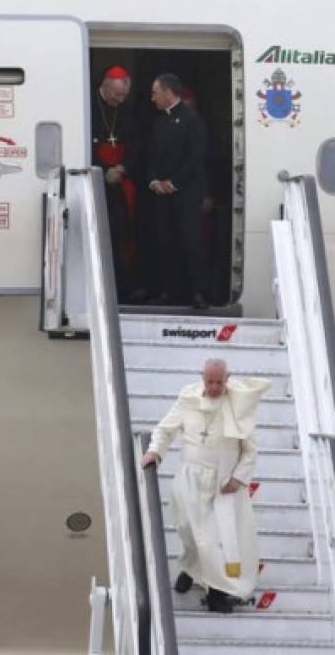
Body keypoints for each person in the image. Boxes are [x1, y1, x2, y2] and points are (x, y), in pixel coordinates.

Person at [141, 358, 270, 612]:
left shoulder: (237, 404)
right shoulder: (188, 397)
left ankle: (217, 594)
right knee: (189, 531)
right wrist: (155, 451)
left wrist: (238, 477)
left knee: (212, 540)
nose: (214, 387)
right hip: (190, 479)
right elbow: (165, 430)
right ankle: (191, 567)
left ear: (227, 378)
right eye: (209, 381)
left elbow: (250, 450)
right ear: (202, 377)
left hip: (222, 485)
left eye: (219, 382)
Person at [147, 73, 208, 309]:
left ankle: (198, 291)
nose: (152, 98)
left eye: (155, 92)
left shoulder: (192, 119)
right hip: (161, 194)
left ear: (168, 92)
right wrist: (153, 180)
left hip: (185, 193)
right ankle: (170, 290)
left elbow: (196, 157)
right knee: (166, 242)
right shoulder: (159, 121)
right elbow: (151, 155)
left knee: (190, 242)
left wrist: (173, 182)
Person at [92, 65, 139, 302]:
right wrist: (102, 170)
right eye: (116, 95)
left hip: (120, 182)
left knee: (123, 234)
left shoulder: (126, 111)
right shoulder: (88, 105)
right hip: (96, 183)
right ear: (105, 86)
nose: (120, 100)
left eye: (124, 96)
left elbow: (136, 146)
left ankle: (123, 288)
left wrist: (122, 168)